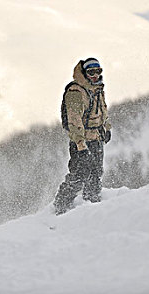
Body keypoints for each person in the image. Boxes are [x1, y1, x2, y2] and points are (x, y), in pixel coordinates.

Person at [54, 57, 112, 215]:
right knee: (79, 176)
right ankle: (61, 206)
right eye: (91, 72)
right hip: (82, 141)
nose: (95, 75)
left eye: (98, 72)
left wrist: (106, 128)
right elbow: (74, 121)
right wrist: (81, 145)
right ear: (85, 73)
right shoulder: (76, 92)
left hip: (96, 139)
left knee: (95, 174)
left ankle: (92, 206)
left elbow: (102, 112)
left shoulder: (97, 89)